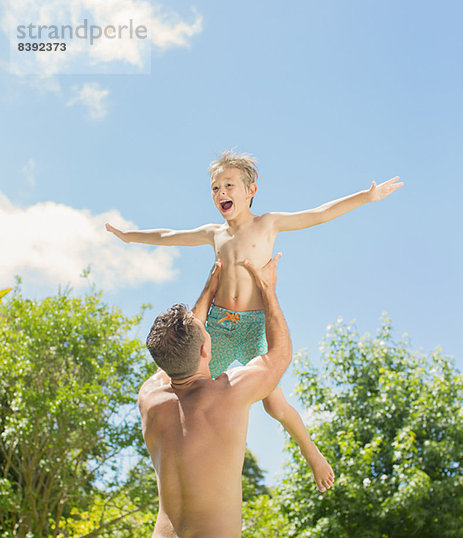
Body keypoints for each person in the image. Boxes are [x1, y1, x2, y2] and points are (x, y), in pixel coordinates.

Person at [106, 150, 403, 491]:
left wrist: (366, 197)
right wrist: (130, 236)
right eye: (215, 188)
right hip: (217, 326)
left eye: (229, 186)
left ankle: (311, 451)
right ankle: (182, 463)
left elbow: (319, 214)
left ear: (251, 190)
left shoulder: (268, 223)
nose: (221, 194)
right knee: (173, 385)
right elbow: (169, 236)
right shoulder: (213, 233)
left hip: (252, 327)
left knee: (275, 405)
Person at [137, 254, 296, 538]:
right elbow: (280, 354)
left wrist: (209, 289)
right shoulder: (228, 393)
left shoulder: (149, 398)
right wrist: (267, 289)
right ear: (207, 346)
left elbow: (176, 355)